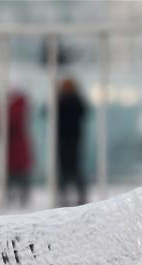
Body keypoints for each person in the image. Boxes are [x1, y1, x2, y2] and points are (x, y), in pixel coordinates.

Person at [56, 78, 88, 207]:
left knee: (69, 168)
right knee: (71, 168)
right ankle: (74, 194)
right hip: (71, 137)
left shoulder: (64, 101)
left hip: (67, 138)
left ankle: (69, 195)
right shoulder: (75, 100)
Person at [6, 90, 32, 207]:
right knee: (18, 174)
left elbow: (12, 123)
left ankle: (18, 199)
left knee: (18, 175)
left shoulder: (15, 107)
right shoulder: (21, 106)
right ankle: (19, 198)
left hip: (14, 146)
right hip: (15, 146)